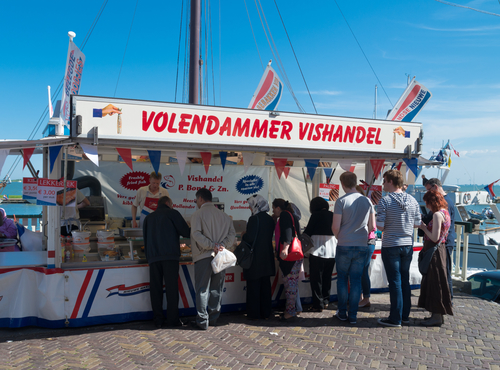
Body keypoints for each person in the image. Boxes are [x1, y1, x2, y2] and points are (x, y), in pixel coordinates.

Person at [377, 170, 421, 327]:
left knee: (394, 281)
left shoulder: (385, 201)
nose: (383, 184)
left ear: (390, 181)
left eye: (384, 181)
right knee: (404, 280)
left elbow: (380, 226)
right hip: (407, 244)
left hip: (391, 244)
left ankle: (395, 317)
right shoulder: (413, 201)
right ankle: (405, 315)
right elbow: (417, 223)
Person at [332, 172, 375, 324]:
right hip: (361, 245)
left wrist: (339, 236)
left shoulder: (341, 201)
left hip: (344, 243)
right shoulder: (367, 201)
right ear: (355, 182)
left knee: (342, 279)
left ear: (343, 184)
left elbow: (335, 227)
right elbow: (372, 227)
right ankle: (353, 315)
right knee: (356, 280)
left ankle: (342, 312)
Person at [190, 188, 236, 330]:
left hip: (204, 255)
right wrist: (221, 246)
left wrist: (212, 246)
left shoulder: (197, 214)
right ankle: (214, 318)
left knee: (202, 289)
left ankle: (203, 320)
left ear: (201, 199)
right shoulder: (224, 216)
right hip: (220, 257)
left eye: (197, 200)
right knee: (217, 288)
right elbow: (232, 235)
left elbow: (196, 234)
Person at [142, 196, 190, 328]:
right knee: (171, 289)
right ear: (169, 203)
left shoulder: (148, 218)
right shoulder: (173, 213)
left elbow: (145, 240)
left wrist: (149, 257)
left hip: (153, 258)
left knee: (155, 289)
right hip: (170, 256)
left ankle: (158, 319)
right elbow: (186, 232)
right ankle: (172, 320)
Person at [417, 190, 453, 326]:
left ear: (432, 202)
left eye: (427, 203)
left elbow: (434, 237)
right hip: (440, 250)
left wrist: (423, 227)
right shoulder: (445, 212)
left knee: (434, 281)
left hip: (434, 251)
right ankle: (437, 314)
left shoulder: (438, 215)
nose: (427, 206)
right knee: (439, 281)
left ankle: (436, 316)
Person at [241, 194, 276, 320]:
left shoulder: (254, 219)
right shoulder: (270, 219)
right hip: (267, 257)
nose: (250, 208)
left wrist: (243, 235)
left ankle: (254, 313)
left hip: (255, 258)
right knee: (265, 286)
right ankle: (266, 312)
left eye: (251, 205)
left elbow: (250, 238)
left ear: (256, 204)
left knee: (254, 287)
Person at [425, 178, 456, 300]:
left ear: (435, 187)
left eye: (429, 190)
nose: (428, 193)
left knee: (444, 273)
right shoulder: (447, 202)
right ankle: (447, 300)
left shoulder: (443, 204)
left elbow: (436, 227)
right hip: (446, 240)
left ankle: (447, 300)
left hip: (443, 242)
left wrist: (424, 227)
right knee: (444, 272)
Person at [303, 197, 336, 313]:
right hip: (332, 250)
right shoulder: (332, 215)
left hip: (317, 250)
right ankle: (326, 301)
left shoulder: (315, 215)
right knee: (327, 278)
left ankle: (318, 304)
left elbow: (307, 233)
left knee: (316, 279)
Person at [272, 198, 303, 321]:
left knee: (290, 285)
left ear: (278, 208)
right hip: (294, 255)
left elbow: (287, 233)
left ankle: (290, 311)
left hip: (289, 255)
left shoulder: (284, 215)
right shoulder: (291, 215)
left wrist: (285, 248)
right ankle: (293, 309)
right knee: (292, 284)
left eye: (274, 208)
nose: (273, 211)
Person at [355, 186, 376, 309]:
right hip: (365, 241)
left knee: (362, 271)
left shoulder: (366, 204)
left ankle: (365, 297)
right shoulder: (366, 204)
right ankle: (361, 297)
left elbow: (372, 226)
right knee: (360, 271)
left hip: (366, 241)